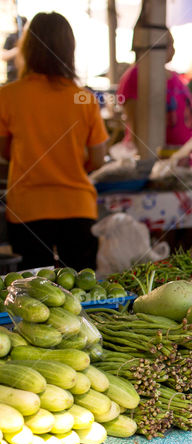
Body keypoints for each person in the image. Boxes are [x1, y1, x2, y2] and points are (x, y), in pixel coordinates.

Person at [0, 12, 106, 269]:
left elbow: (5, 151)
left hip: (27, 208)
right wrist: (70, 169)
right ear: (70, 49)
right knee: (81, 295)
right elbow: (98, 158)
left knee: (33, 297)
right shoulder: (83, 98)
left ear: (28, 48)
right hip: (77, 206)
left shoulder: (8, 96)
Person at [117, 28, 192, 149]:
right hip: (155, 157)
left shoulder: (174, 76)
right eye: (169, 45)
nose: (173, 50)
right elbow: (134, 122)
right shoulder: (137, 74)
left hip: (180, 156)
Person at [2, 16, 25, 83]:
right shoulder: (11, 37)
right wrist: (17, 49)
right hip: (12, 75)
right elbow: (4, 56)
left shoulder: (27, 38)